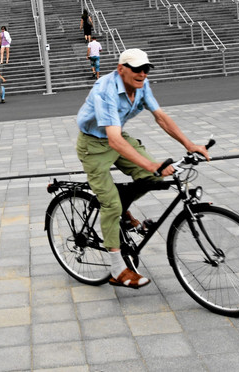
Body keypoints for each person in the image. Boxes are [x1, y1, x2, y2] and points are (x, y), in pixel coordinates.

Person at [74, 48, 210, 289]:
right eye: (137, 69)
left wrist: (190, 144)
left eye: (146, 69)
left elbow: (160, 117)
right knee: (111, 204)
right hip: (93, 145)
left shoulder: (141, 86)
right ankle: (118, 269)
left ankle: (122, 210)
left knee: (153, 179)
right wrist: (151, 164)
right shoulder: (105, 90)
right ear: (121, 69)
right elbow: (113, 139)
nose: (142, 74)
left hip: (116, 138)